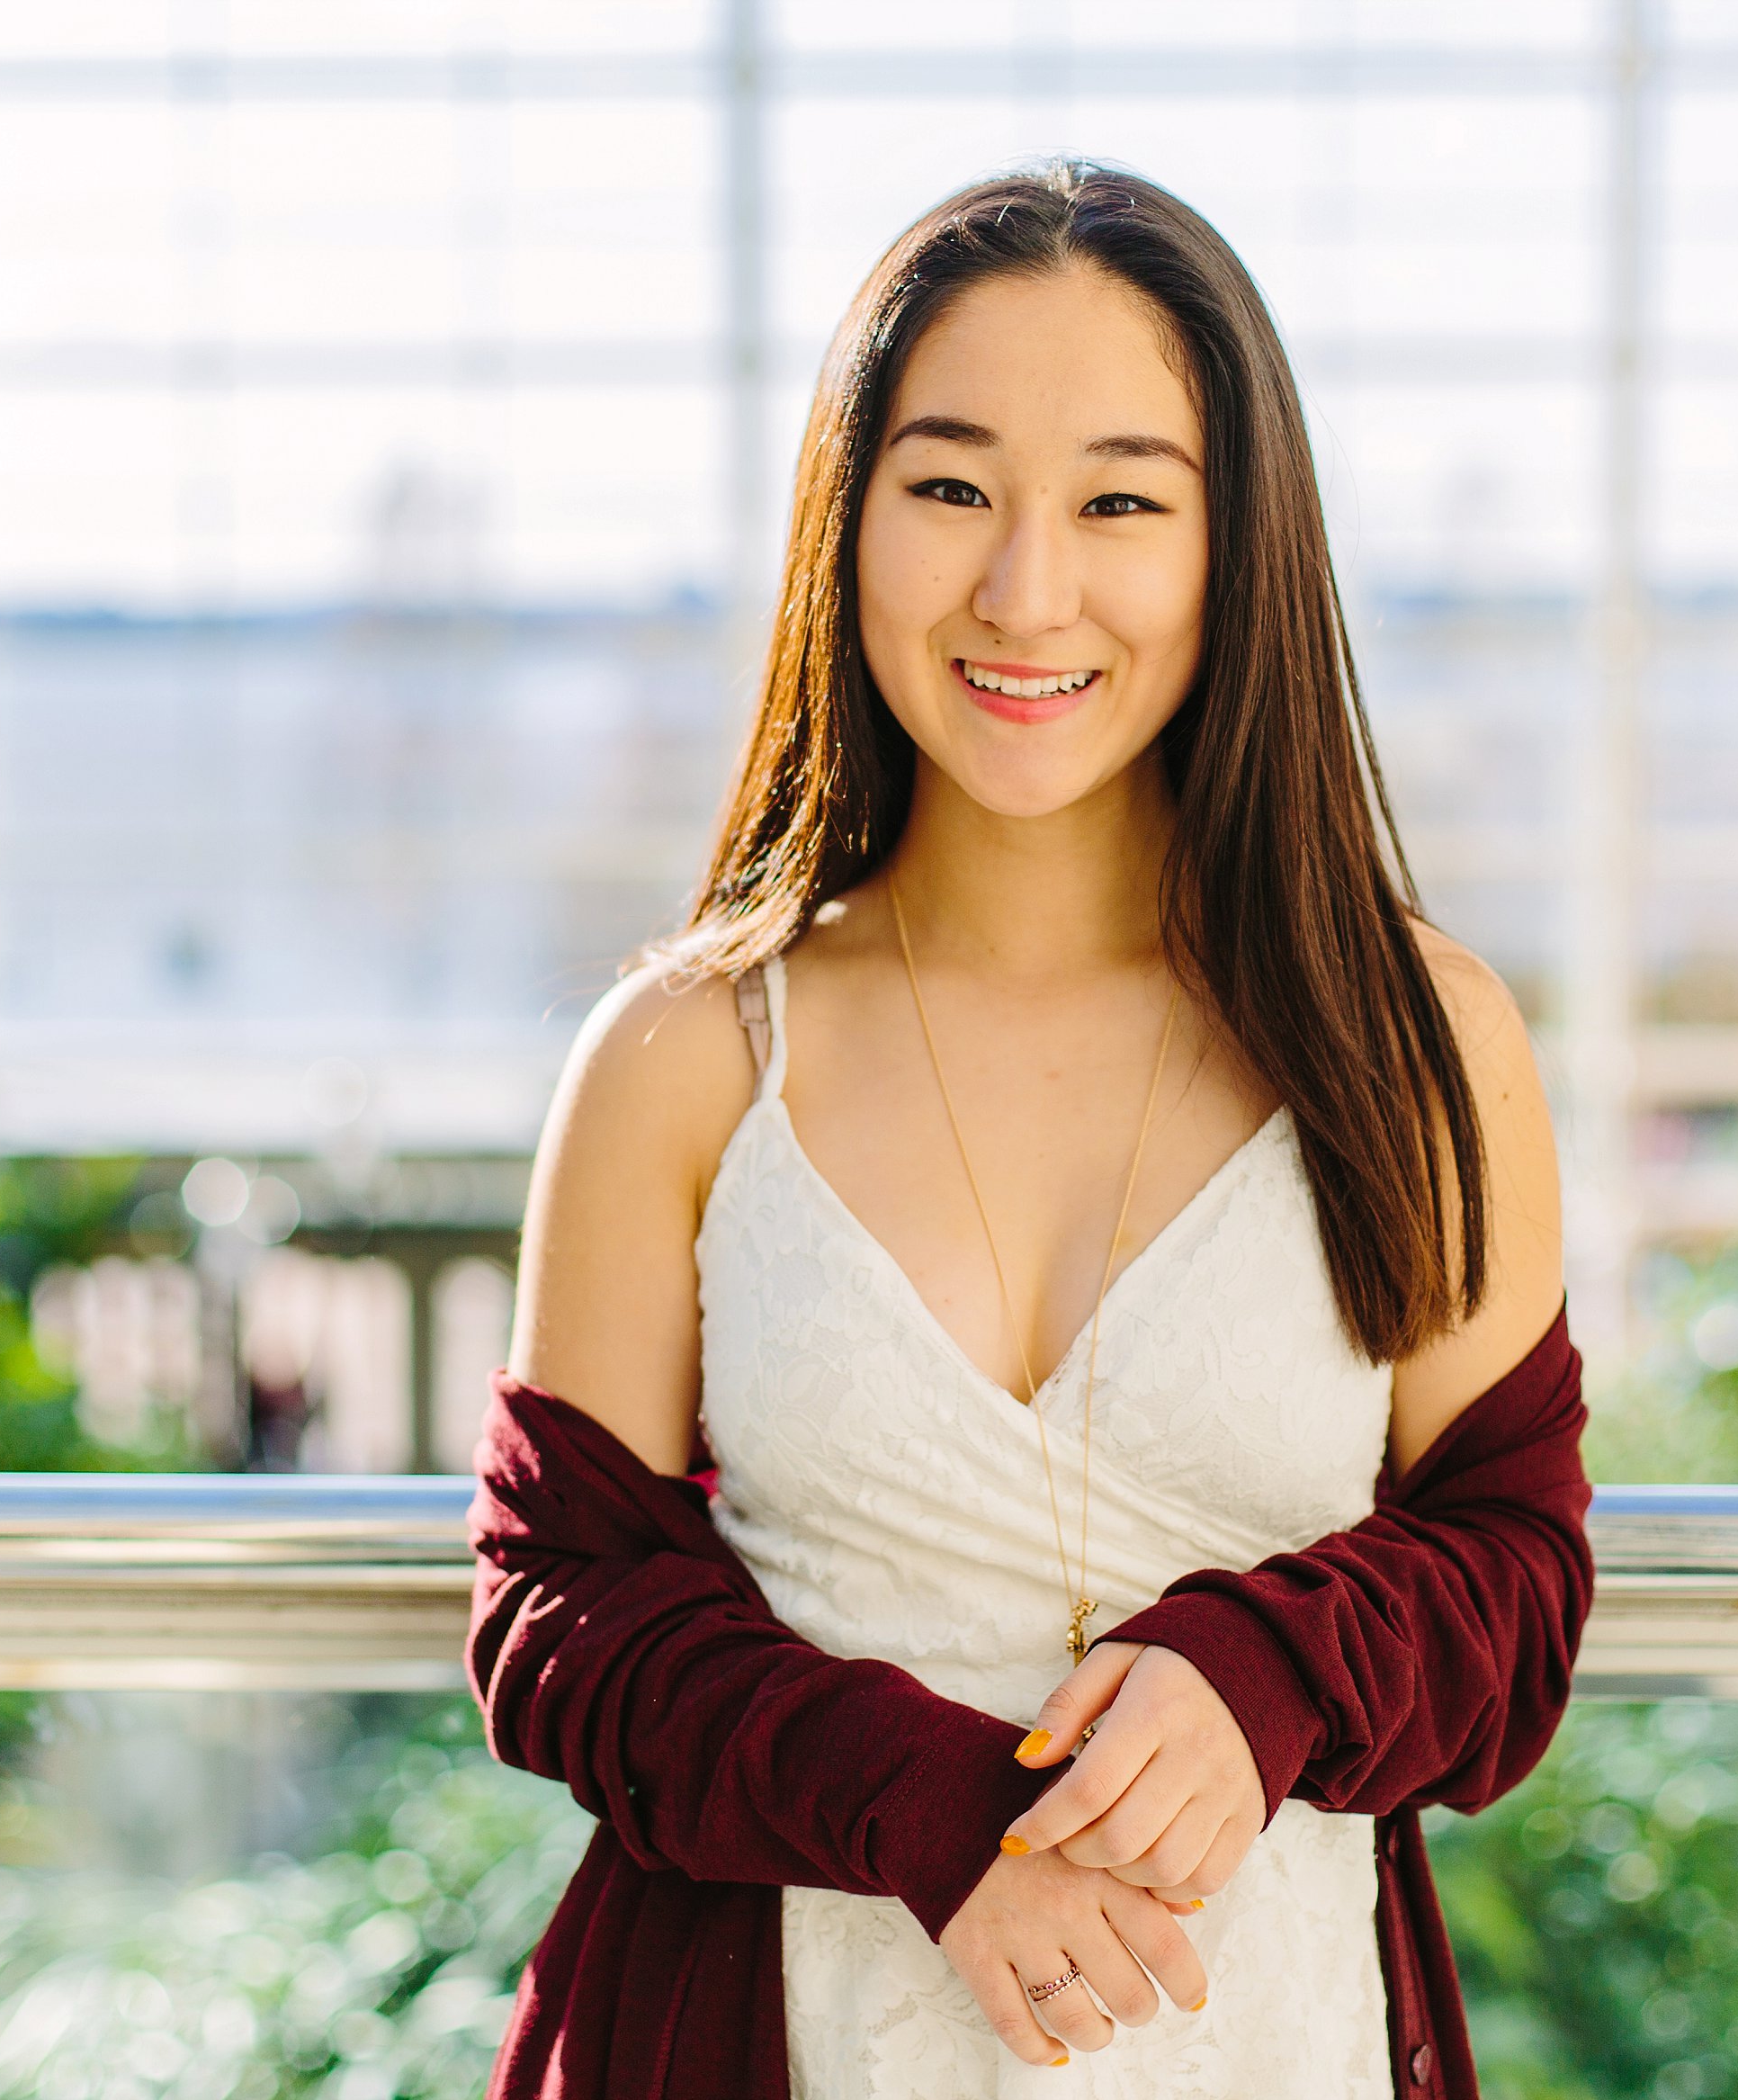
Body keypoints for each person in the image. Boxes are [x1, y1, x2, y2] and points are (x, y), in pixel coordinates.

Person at [471, 159, 1590, 2100]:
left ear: (1236, 549)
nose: (1024, 590)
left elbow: (1515, 1575)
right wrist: (917, 1805)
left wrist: (1269, 1676)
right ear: (847, 520)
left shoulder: (1416, 1041)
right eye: (951, 487)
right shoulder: (685, 1048)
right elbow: (554, 1615)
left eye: (1122, 502)